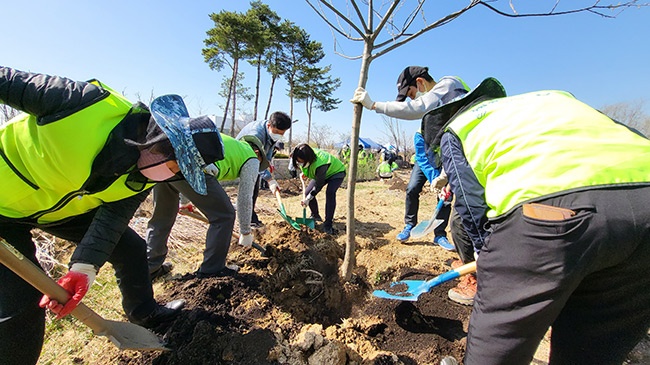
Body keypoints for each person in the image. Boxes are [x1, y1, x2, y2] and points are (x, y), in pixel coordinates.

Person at [0, 66, 225, 365]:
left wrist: (83, 268)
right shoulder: (81, 103)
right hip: (4, 206)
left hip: (59, 211)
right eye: (175, 168)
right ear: (160, 141)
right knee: (21, 300)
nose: (171, 177)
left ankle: (143, 312)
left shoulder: (141, 178)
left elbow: (110, 223)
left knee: (129, 247)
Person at [424, 77, 650, 364]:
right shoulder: (552, 99)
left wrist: (488, 258)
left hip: (552, 216)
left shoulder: (456, 129)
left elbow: (469, 203)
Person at [351, 66, 468, 253]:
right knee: (412, 188)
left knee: (446, 195)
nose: (411, 98)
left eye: (411, 93)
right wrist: (433, 177)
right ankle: (409, 225)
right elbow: (421, 155)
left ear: (420, 82)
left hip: (445, 153)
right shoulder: (427, 117)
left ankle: (439, 234)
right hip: (426, 156)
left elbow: (416, 108)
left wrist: (374, 105)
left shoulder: (448, 85)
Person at [146, 134, 270, 279]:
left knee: (162, 217)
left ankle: (150, 268)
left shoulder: (232, 144)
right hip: (191, 167)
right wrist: (245, 232)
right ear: (257, 152)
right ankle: (213, 269)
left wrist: (186, 202)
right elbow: (245, 197)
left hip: (165, 160)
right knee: (224, 215)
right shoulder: (252, 158)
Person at [236, 112, 292, 227]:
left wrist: (268, 162)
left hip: (254, 160)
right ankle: (247, 222)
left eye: (282, 133)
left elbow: (268, 149)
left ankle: (251, 218)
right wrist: (269, 179)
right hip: (242, 159)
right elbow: (255, 159)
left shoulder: (270, 133)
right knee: (249, 191)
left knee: (254, 190)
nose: (278, 135)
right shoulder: (256, 134)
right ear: (269, 126)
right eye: (276, 132)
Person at [290, 144, 346, 234]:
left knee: (330, 193)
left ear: (308, 159)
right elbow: (307, 166)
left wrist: (309, 198)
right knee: (307, 192)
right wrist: (306, 172)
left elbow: (318, 185)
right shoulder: (303, 153)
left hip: (336, 172)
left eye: (301, 162)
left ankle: (328, 224)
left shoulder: (320, 163)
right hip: (321, 173)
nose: (299, 164)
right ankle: (315, 215)